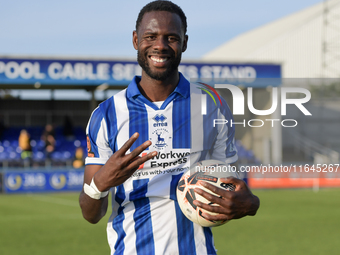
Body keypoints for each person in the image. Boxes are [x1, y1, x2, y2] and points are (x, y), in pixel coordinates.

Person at [79, 1, 260, 254]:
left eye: (171, 38)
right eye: (150, 36)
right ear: (135, 40)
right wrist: (100, 184)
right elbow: (91, 214)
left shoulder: (212, 104)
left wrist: (250, 204)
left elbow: (232, 185)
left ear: (184, 42)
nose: (160, 46)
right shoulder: (106, 115)